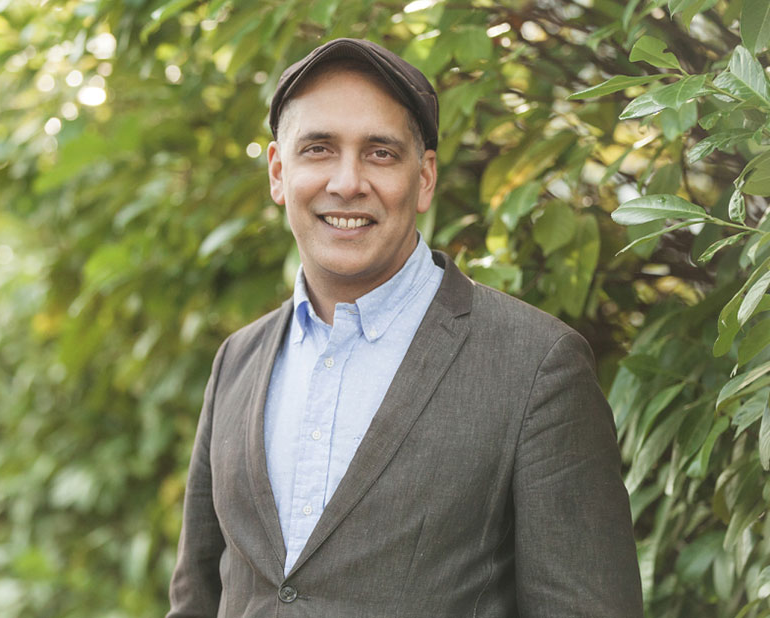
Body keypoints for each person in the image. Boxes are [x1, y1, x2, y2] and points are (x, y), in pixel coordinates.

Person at [166, 38, 643, 618]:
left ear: (424, 178)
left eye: (381, 153)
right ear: (277, 172)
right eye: (318, 149)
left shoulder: (538, 365)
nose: (347, 182)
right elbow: (196, 598)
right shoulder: (236, 361)